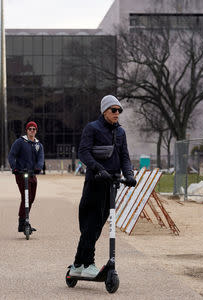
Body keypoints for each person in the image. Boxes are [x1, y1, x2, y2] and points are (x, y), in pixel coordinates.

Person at [69, 95, 136, 278]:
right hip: (95, 183)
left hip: (112, 185)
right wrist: (99, 169)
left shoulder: (120, 133)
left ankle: (77, 264)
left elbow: (124, 157)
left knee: (97, 225)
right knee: (90, 224)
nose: (117, 113)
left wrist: (129, 175)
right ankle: (87, 262)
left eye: (119, 111)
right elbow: (83, 152)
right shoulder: (93, 128)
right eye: (113, 110)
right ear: (104, 111)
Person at [8, 121, 44, 233]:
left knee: (31, 197)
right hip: (20, 173)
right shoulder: (20, 142)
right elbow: (11, 155)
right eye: (30, 129)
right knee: (26, 196)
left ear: (36, 131)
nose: (32, 131)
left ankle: (24, 220)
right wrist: (14, 168)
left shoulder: (39, 145)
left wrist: (38, 167)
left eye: (34, 129)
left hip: (32, 173)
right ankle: (23, 222)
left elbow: (41, 158)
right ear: (26, 130)